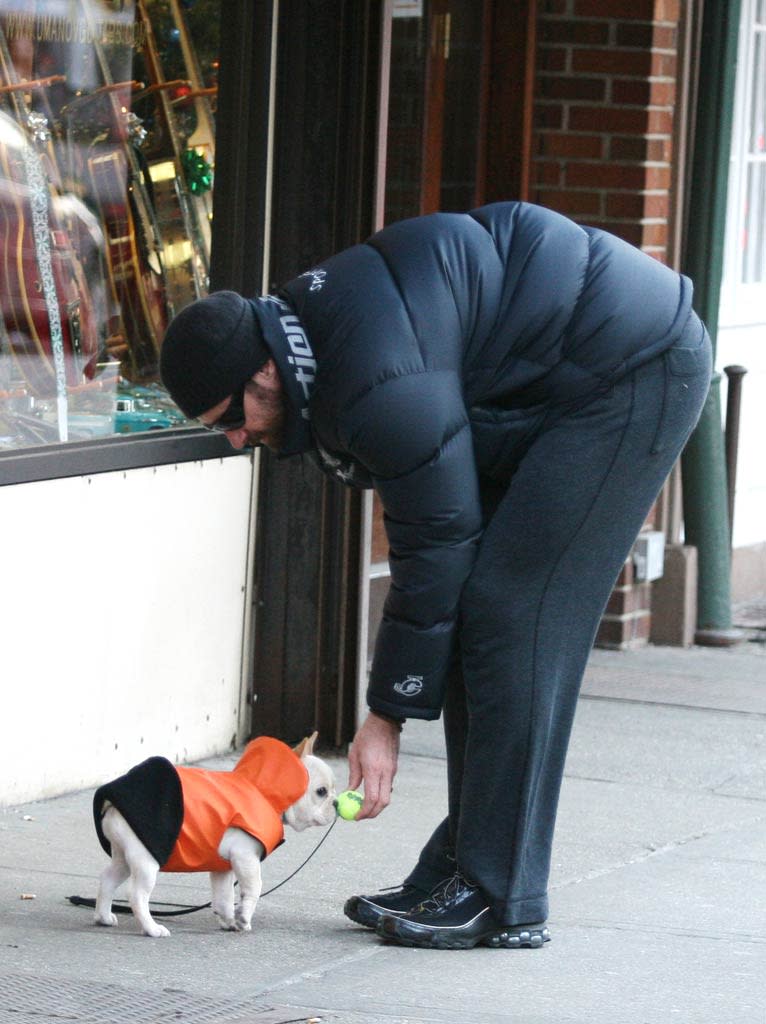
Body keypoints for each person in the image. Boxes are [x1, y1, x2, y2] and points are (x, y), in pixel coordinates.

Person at [159, 201, 712, 951]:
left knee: (517, 614)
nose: (235, 438)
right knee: (485, 606)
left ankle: (498, 892)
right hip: (552, 381)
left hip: (633, 370)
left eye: (232, 414)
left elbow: (436, 547)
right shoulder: (313, 345)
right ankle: (463, 864)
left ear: (264, 369)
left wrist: (385, 717)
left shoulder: (372, 378)